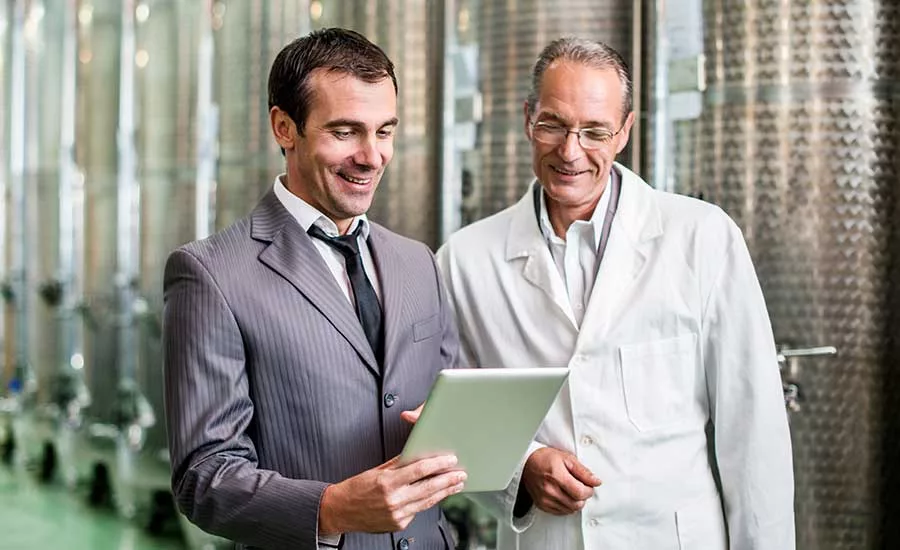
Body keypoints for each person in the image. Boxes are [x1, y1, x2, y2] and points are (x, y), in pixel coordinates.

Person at [436, 37, 795, 549]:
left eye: (595, 131)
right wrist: (522, 468)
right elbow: (448, 415)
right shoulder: (465, 261)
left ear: (625, 131)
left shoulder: (702, 238)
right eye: (553, 125)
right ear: (526, 119)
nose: (570, 151)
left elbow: (753, 430)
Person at [163, 28, 464, 550]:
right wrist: (336, 508)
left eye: (385, 131)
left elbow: (453, 406)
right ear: (285, 127)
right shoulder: (211, 274)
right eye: (346, 132)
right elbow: (204, 477)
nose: (372, 157)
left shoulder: (417, 262)